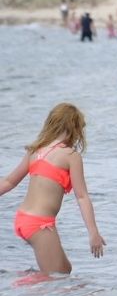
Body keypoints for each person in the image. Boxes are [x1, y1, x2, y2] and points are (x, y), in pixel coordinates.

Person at [0, 103, 105, 275]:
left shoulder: (35, 150)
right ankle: (21, 286)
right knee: (57, 277)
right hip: (39, 223)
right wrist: (93, 233)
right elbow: (82, 196)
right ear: (75, 129)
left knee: (65, 269)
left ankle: (26, 281)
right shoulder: (71, 156)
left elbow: (8, 182)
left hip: (23, 219)